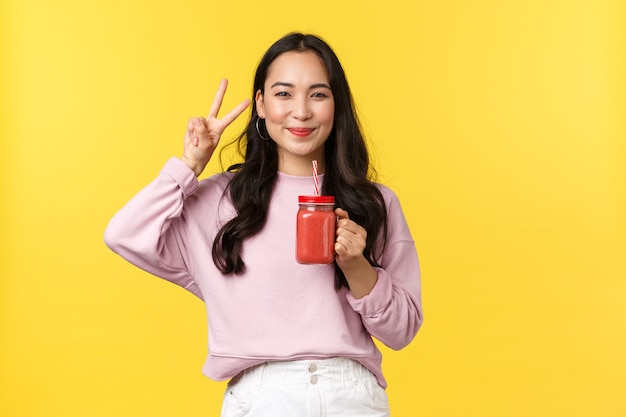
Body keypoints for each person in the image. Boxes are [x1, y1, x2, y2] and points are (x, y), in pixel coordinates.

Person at [104, 32, 423, 417]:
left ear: (336, 105)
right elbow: (123, 234)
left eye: (318, 94)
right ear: (260, 103)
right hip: (260, 397)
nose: (301, 111)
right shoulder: (217, 201)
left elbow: (402, 331)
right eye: (283, 94)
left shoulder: (375, 203)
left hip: (351, 396)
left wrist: (358, 267)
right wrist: (188, 166)